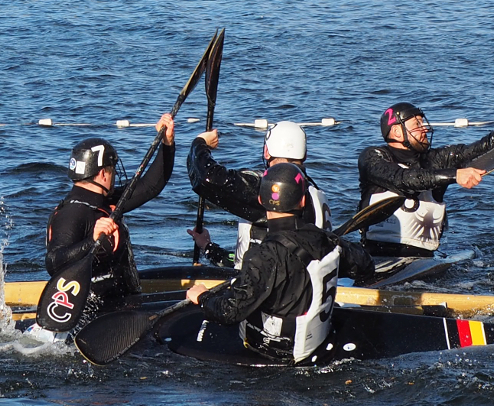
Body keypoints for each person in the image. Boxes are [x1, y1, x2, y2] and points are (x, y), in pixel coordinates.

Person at [34, 113, 176, 332]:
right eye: (111, 170)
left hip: (121, 301)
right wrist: (91, 241)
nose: (113, 176)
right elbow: (54, 262)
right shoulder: (72, 213)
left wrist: (167, 144)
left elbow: (150, 186)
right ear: (102, 174)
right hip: (92, 313)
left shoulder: (106, 202)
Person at [184, 163, 340, 362]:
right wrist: (208, 247)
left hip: (272, 355)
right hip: (318, 345)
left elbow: (230, 312)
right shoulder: (328, 240)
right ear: (302, 201)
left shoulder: (263, 255)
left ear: (259, 200)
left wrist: (203, 297)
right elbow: (364, 265)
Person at [356, 101, 494, 256]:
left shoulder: (437, 159)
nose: (424, 129)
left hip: (423, 259)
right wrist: (455, 175)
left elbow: (484, 146)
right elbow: (403, 180)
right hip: (376, 254)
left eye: (423, 123)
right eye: (417, 125)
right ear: (398, 132)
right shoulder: (372, 157)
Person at [186, 119, 375, 282]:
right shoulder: (315, 193)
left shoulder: (275, 192)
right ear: (305, 155)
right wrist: (209, 248)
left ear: (267, 152)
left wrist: (200, 144)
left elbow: (207, 179)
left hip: (266, 296)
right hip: (305, 290)